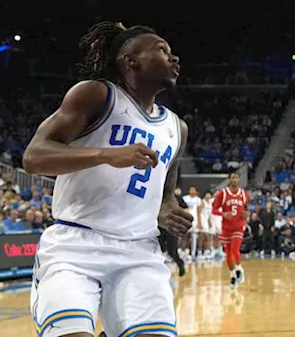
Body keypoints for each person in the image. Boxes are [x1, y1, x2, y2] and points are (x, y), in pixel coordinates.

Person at [23, 21, 192, 337]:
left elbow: (166, 190)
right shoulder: (96, 94)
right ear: (131, 61)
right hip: (76, 245)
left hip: (140, 251)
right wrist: (105, 154)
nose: (174, 58)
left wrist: (168, 210)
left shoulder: (176, 128)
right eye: (162, 50)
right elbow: (34, 157)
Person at [212, 172, 249, 288]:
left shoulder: (244, 194)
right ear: (229, 180)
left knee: (235, 248)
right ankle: (232, 275)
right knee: (228, 253)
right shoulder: (222, 194)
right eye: (233, 177)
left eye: (237, 177)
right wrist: (223, 214)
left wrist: (246, 214)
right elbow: (214, 210)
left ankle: (239, 269)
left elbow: (246, 209)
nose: (235, 179)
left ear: (239, 180)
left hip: (238, 225)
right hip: (226, 227)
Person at [182, 186, 202, 259]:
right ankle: (184, 253)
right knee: (185, 237)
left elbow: (199, 212)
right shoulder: (185, 198)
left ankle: (193, 254)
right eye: (191, 189)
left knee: (194, 238)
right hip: (186, 220)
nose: (192, 191)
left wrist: (200, 222)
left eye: (194, 189)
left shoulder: (198, 200)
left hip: (195, 220)